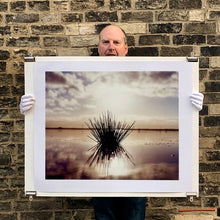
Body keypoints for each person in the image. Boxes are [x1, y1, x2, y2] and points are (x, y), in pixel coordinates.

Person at [20, 25, 204, 220]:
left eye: (116, 42)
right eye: (105, 42)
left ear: (125, 48)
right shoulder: (87, 78)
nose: (111, 47)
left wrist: (189, 108)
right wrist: (33, 111)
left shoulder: (138, 77)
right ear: (98, 47)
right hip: (100, 178)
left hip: (135, 182)